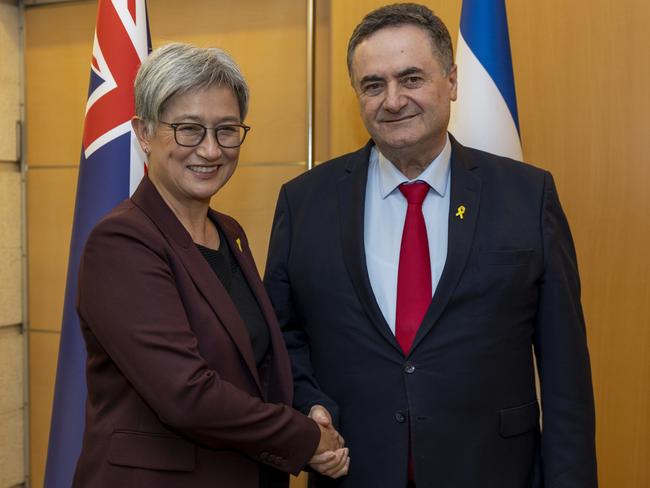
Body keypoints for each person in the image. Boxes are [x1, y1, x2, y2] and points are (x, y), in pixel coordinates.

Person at [264, 4, 597, 487]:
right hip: (357, 472)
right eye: (373, 85)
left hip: (493, 472)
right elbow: (281, 335)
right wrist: (310, 404)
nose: (393, 100)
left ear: (453, 82)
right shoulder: (304, 202)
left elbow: (566, 373)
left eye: (412, 78)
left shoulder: (527, 196)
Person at [73, 43, 348, 488]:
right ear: (143, 133)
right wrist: (307, 439)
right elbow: (186, 395)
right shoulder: (122, 241)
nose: (211, 150)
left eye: (226, 130)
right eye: (188, 129)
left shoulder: (230, 232)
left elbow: (253, 361)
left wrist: (307, 407)